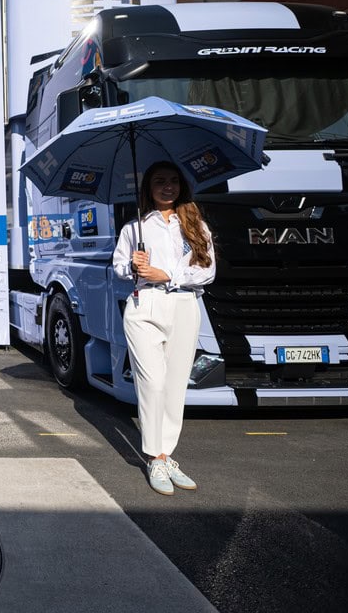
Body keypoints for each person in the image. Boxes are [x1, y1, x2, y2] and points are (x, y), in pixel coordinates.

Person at [112, 161, 215, 496]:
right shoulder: (135, 228)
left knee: (174, 387)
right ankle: (154, 458)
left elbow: (208, 271)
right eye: (160, 181)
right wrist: (133, 266)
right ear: (148, 188)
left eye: (173, 181)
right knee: (153, 383)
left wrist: (168, 275)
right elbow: (118, 267)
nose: (167, 187)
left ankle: (166, 455)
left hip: (185, 306)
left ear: (181, 186)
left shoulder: (197, 226)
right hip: (145, 306)